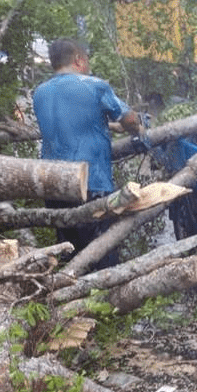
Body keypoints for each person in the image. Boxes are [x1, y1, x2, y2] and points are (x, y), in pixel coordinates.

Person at [34, 38, 143, 262]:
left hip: (53, 185)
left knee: (68, 250)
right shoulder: (94, 86)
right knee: (101, 251)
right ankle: (105, 293)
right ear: (78, 60)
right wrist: (137, 128)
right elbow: (129, 119)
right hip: (90, 184)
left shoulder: (40, 93)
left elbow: (70, 124)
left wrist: (105, 124)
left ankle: (69, 292)